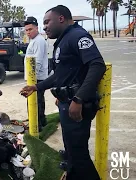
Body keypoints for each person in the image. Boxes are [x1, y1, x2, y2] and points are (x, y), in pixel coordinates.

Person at [20, 5, 106, 180]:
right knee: (71, 150)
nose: (44, 27)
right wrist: (37, 87)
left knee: (79, 154)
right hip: (67, 103)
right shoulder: (64, 39)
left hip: (77, 106)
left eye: (47, 22)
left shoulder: (77, 36)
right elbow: (60, 74)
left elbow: (97, 66)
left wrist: (78, 99)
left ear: (60, 19)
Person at [23, 16, 49, 131]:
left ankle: (36, 126)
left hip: (36, 78)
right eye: (26, 30)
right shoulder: (34, 40)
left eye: (30, 29)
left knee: (34, 103)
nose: (28, 32)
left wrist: (31, 82)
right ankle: (42, 122)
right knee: (39, 101)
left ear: (37, 28)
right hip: (36, 78)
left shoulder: (38, 41)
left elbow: (36, 62)